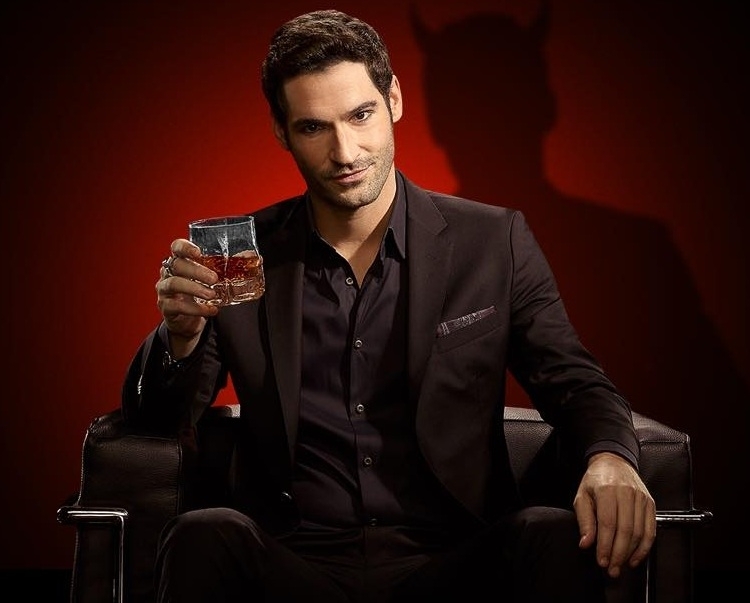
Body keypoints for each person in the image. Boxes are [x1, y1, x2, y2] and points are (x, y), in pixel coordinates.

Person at [123, 9, 656, 602]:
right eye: (313, 127)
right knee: (201, 536)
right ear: (281, 132)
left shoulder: (492, 242)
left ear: (394, 100)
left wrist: (610, 457)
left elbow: (574, 381)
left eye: (360, 115)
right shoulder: (242, 256)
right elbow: (157, 423)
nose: (344, 151)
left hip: (456, 559)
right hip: (294, 560)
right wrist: (179, 337)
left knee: (552, 535)